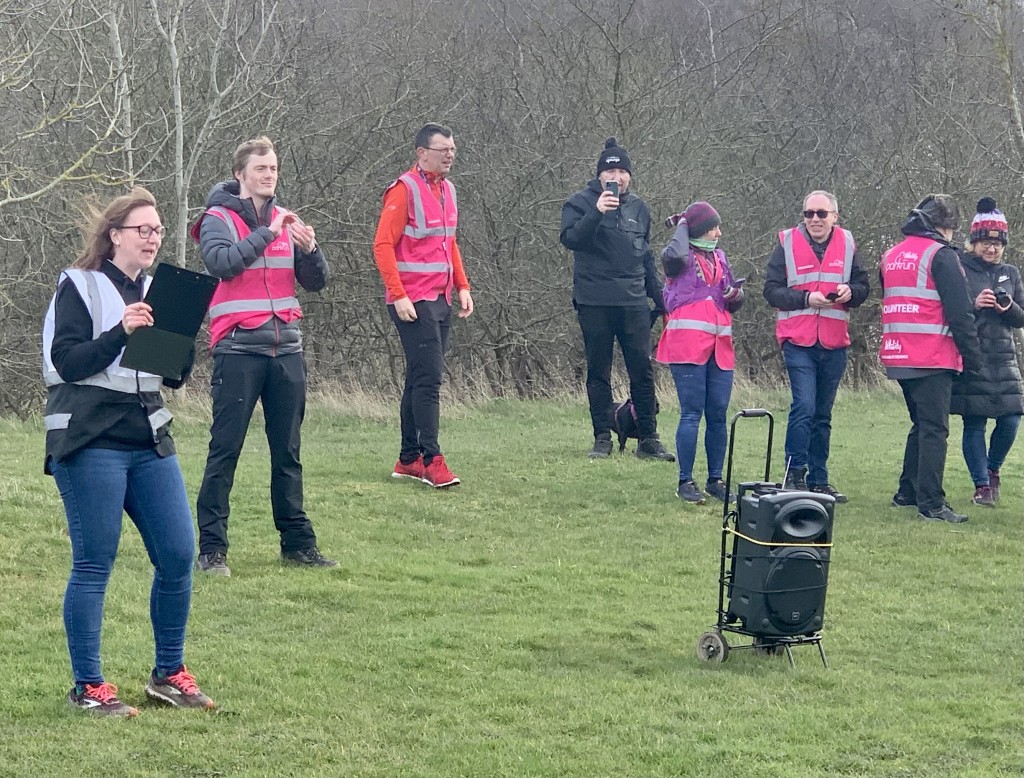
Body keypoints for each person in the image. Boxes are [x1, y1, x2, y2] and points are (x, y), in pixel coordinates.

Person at [42, 187, 214, 716]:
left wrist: (180, 341)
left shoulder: (157, 290)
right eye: (143, 229)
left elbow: (170, 376)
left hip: (147, 437)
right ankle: (88, 687)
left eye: (158, 230)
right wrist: (123, 330)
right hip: (90, 437)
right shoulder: (79, 285)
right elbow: (67, 363)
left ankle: (168, 674)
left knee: (179, 553)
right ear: (114, 235)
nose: (153, 237)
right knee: (95, 562)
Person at [192, 136, 337, 575]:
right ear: (240, 175)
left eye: (273, 168)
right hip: (238, 349)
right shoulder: (217, 218)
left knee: (288, 452)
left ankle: (298, 544)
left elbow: (316, 282)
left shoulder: (287, 219)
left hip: (286, 347)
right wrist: (266, 234)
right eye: (261, 168)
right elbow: (221, 263)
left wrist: (310, 250)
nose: (269, 175)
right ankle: (212, 549)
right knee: (225, 450)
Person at [560, 137, 674, 461]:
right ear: (599, 175)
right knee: (599, 371)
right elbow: (571, 239)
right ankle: (602, 437)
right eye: (611, 172)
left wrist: (662, 301)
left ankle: (648, 438)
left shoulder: (640, 208)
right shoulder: (578, 203)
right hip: (594, 301)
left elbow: (646, 258)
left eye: (623, 172)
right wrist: (596, 212)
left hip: (634, 302)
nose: (617, 177)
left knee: (642, 370)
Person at [372, 122, 473, 488]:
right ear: (422, 152)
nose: (450, 155)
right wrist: (398, 294)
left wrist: (462, 285)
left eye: (452, 149)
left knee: (418, 377)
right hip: (413, 301)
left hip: (441, 298)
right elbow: (382, 244)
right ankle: (433, 460)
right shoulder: (404, 189)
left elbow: (449, 243)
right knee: (429, 380)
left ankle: (408, 458)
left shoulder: (449, 190)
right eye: (443, 149)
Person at [880, 194, 983, 523]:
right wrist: (974, 359)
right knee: (935, 430)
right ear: (945, 226)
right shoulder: (941, 255)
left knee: (921, 425)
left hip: (898, 353)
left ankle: (907, 492)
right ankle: (932, 504)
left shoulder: (892, 254)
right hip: (932, 354)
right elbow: (960, 313)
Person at [763, 190, 870, 502]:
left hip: (834, 341)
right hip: (798, 340)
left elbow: (864, 286)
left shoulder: (848, 243)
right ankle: (794, 473)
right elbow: (771, 291)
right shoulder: (786, 242)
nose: (814, 219)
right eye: (809, 213)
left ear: (835, 216)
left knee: (822, 413)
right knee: (804, 406)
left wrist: (851, 292)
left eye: (821, 214)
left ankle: (819, 479)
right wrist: (806, 298)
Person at [656, 202, 744, 504]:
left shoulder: (720, 257)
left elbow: (732, 299)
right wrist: (683, 223)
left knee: (718, 414)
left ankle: (715, 480)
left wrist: (736, 295)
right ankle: (685, 480)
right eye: (712, 228)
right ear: (696, 230)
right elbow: (673, 255)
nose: (719, 233)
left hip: (720, 346)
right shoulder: (679, 259)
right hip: (687, 346)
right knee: (691, 413)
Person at [950, 198, 1024, 506]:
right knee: (975, 422)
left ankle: (993, 469)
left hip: (1005, 358)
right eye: (985, 243)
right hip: (973, 356)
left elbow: (1021, 317)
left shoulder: (1011, 272)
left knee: (1012, 418)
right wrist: (975, 305)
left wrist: (1009, 307)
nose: (991, 249)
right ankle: (981, 485)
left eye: (997, 244)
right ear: (974, 243)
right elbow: (952, 313)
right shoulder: (960, 269)